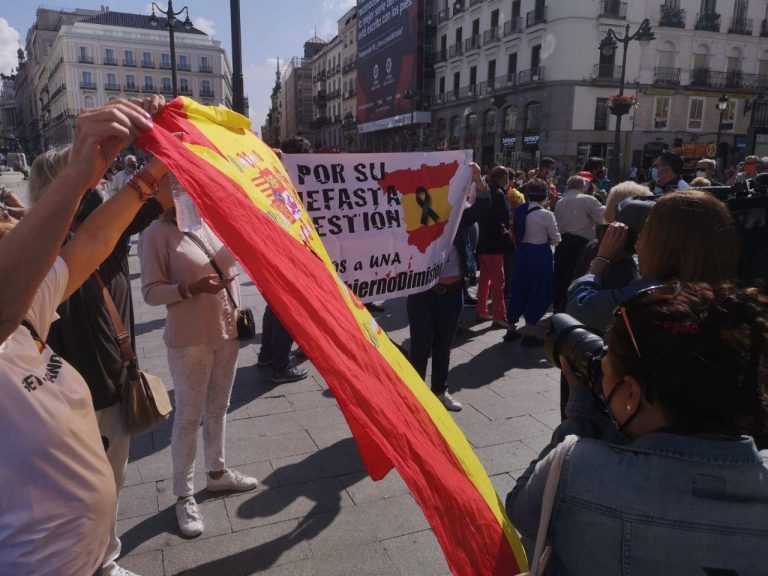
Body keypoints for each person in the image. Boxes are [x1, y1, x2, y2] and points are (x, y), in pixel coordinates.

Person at [0, 98, 162, 575]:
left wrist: (152, 173)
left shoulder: (27, 313)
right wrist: (74, 176)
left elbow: (90, 243)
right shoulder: (11, 308)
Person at [507, 282, 768, 574]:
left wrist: (580, 415)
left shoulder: (575, 469)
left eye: (605, 372)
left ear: (631, 394)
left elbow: (521, 509)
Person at [139, 202, 258, 538]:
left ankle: (217, 473)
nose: (186, 193)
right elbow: (150, 292)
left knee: (219, 408)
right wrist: (190, 289)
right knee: (189, 417)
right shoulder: (156, 234)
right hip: (190, 340)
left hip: (228, 333)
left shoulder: (211, 222)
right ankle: (184, 495)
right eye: (176, 185)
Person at [567, 190, 739, 332]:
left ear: (666, 243)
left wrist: (602, 260)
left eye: (647, 230)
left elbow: (580, 307)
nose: (639, 238)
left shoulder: (653, 296)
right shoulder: (730, 298)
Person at [407, 162, 489, 411]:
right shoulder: (413, 214)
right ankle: (416, 397)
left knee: (443, 346)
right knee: (420, 347)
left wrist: (478, 178)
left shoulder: (460, 214)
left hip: (452, 294)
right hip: (422, 294)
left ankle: (440, 391)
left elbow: (484, 206)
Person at [257, 136, 310, 383]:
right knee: (288, 308)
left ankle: (267, 354)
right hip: (287, 252)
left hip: (270, 251)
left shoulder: (269, 176)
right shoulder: (290, 181)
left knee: (275, 305)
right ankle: (281, 365)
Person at [504, 179, 561, 346]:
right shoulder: (546, 214)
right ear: (545, 195)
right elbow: (556, 238)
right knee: (539, 289)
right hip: (540, 254)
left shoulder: (520, 210)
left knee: (519, 288)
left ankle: (511, 328)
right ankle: (529, 333)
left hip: (522, 252)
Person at [553, 174, 605, 312]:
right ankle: (574, 309)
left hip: (562, 243)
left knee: (561, 277)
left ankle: (559, 309)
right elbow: (603, 218)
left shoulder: (560, 202)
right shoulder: (588, 199)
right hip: (580, 244)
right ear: (583, 187)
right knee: (578, 277)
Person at [475, 166, 515, 328]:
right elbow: (503, 218)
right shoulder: (498, 193)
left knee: (485, 278)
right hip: (494, 243)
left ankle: (482, 310)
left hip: (482, 241)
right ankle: (499, 315)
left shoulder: (485, 191)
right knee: (498, 281)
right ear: (504, 177)